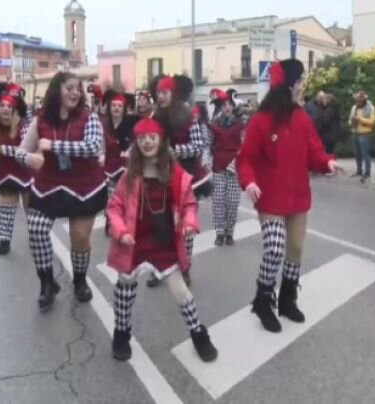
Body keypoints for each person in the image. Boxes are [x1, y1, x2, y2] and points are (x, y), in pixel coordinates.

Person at [237, 59, 343, 332]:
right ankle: (263, 299)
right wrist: (248, 181)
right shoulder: (261, 121)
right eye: (300, 82)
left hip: (297, 197)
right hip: (270, 197)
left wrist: (327, 163)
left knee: (295, 250)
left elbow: (314, 152)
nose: (302, 87)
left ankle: (287, 298)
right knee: (274, 248)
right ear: (289, 86)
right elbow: (245, 159)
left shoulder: (302, 119)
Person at [106, 117, 218, 363]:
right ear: (137, 142)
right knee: (125, 287)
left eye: (151, 137)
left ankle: (198, 333)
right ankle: (121, 332)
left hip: (163, 242)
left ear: (161, 140)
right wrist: (121, 231)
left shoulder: (175, 172)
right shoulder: (130, 175)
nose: (146, 142)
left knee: (180, 291)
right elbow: (113, 207)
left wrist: (189, 222)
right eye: (142, 138)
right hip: (132, 242)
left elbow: (189, 202)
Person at [15, 71, 106, 310]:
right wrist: (29, 159)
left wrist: (52, 145)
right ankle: (47, 283)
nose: (76, 92)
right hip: (49, 184)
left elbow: (93, 147)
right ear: (57, 90)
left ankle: (79, 280)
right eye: (70, 88)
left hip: (84, 186)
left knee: (79, 238)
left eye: (78, 88)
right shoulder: (40, 119)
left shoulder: (90, 118)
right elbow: (22, 150)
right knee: (36, 229)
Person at [145, 74, 209, 288]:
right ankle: (159, 268)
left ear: (173, 93)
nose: (160, 96)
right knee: (158, 227)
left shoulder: (189, 116)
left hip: (188, 179)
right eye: (158, 93)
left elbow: (198, 145)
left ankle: (185, 268)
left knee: (185, 228)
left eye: (163, 92)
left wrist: (173, 151)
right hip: (161, 179)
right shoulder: (154, 117)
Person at [0, 93, 33, 256]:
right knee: (6, 209)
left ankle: (36, 237)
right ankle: (4, 240)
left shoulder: (24, 125)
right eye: (2, 106)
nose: (5, 109)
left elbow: (25, 150)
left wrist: (1, 149)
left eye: (9, 106)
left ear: (13, 110)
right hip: (6, 172)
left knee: (31, 211)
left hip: (26, 172)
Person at [209, 90, 245, 246]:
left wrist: (238, 162)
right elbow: (208, 146)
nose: (227, 107)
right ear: (220, 108)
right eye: (224, 105)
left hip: (234, 169)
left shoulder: (240, 125)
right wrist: (206, 164)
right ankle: (219, 233)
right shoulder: (213, 126)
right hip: (218, 168)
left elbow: (245, 146)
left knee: (232, 203)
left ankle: (229, 232)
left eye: (230, 104)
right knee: (218, 203)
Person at [100, 90, 138, 188]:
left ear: (124, 109)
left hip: (127, 168)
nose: (116, 108)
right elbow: (101, 143)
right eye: (114, 105)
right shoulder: (103, 124)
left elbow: (135, 143)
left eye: (119, 106)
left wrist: (129, 151)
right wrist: (101, 154)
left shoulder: (131, 124)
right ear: (109, 108)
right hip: (107, 168)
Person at [350, 90, 375, 183]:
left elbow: (372, 122)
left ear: (364, 100)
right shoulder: (354, 108)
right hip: (355, 132)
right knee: (357, 153)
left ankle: (367, 172)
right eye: (357, 100)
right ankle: (359, 170)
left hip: (365, 133)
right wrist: (352, 122)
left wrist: (360, 119)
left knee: (365, 154)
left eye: (360, 100)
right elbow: (350, 120)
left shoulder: (371, 108)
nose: (358, 102)